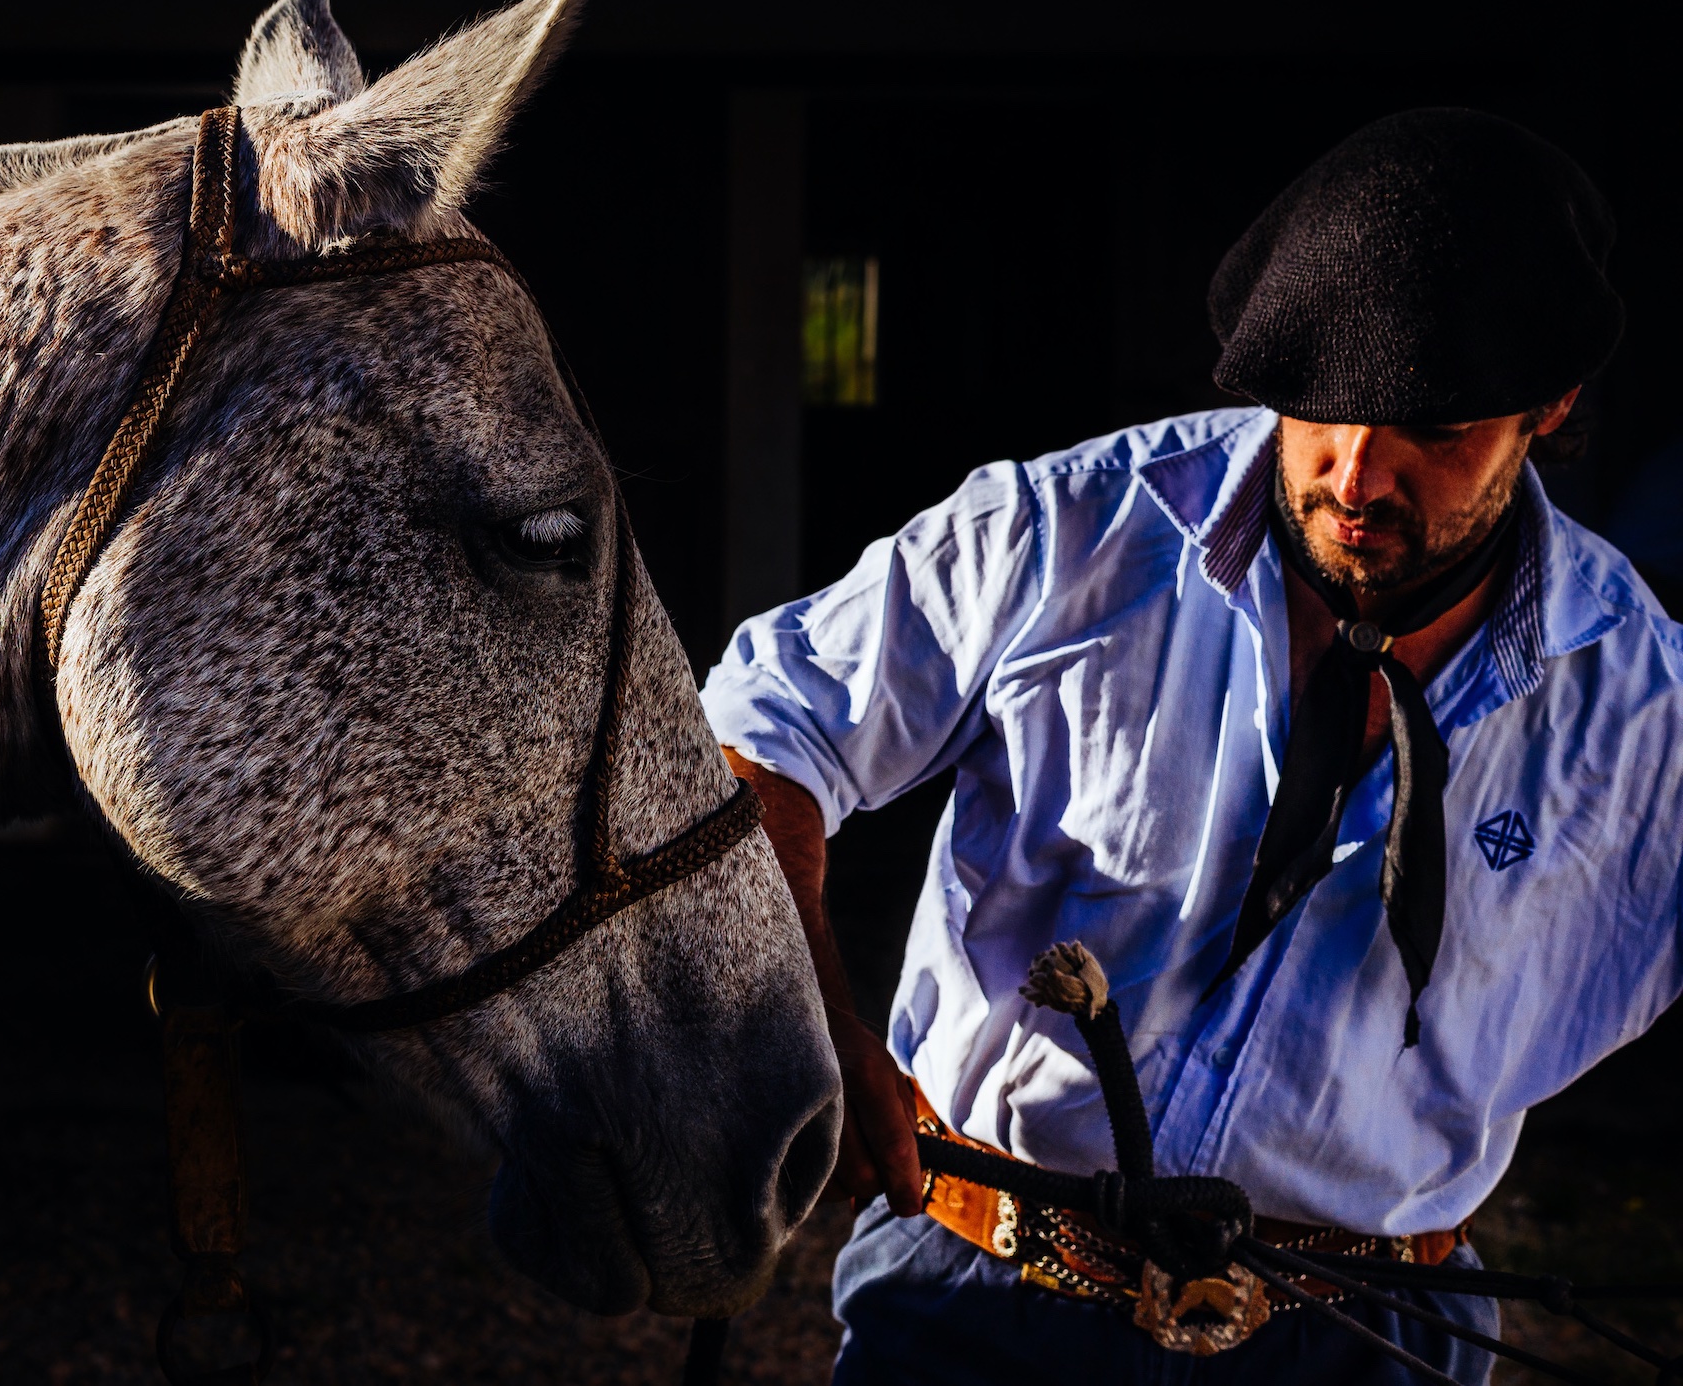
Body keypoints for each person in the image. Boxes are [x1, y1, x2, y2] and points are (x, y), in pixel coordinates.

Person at [704, 108, 1683, 1383]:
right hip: (975, 1299)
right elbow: (754, 743)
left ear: (1548, 409)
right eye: (1321, 410)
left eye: (1435, 433)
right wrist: (813, 1035)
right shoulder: (1062, 534)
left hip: (1365, 1340)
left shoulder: (1645, 713)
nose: (1356, 476)